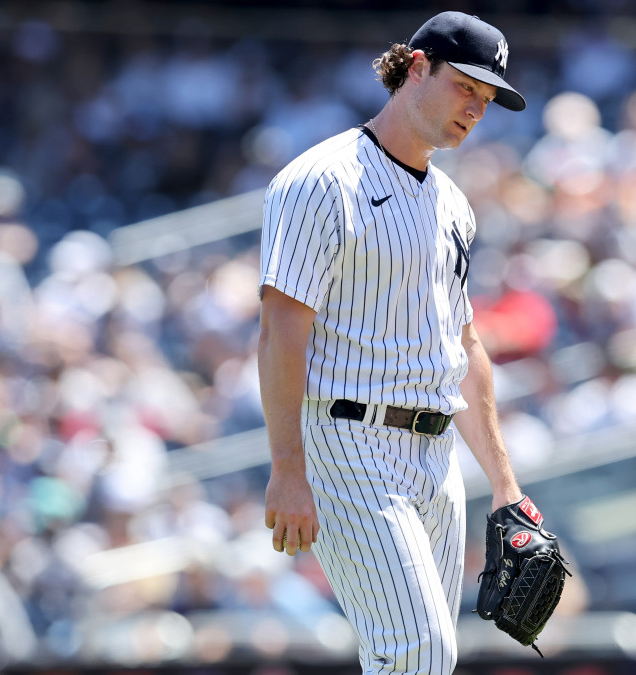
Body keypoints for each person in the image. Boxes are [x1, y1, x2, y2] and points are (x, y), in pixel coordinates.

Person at [256, 12, 529, 675]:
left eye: (487, 100)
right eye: (466, 87)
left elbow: (464, 347)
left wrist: (504, 482)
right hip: (347, 441)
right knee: (419, 651)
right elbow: (279, 330)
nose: (476, 109)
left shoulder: (453, 205)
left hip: (434, 457)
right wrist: (288, 466)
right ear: (415, 67)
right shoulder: (320, 181)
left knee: (416, 659)